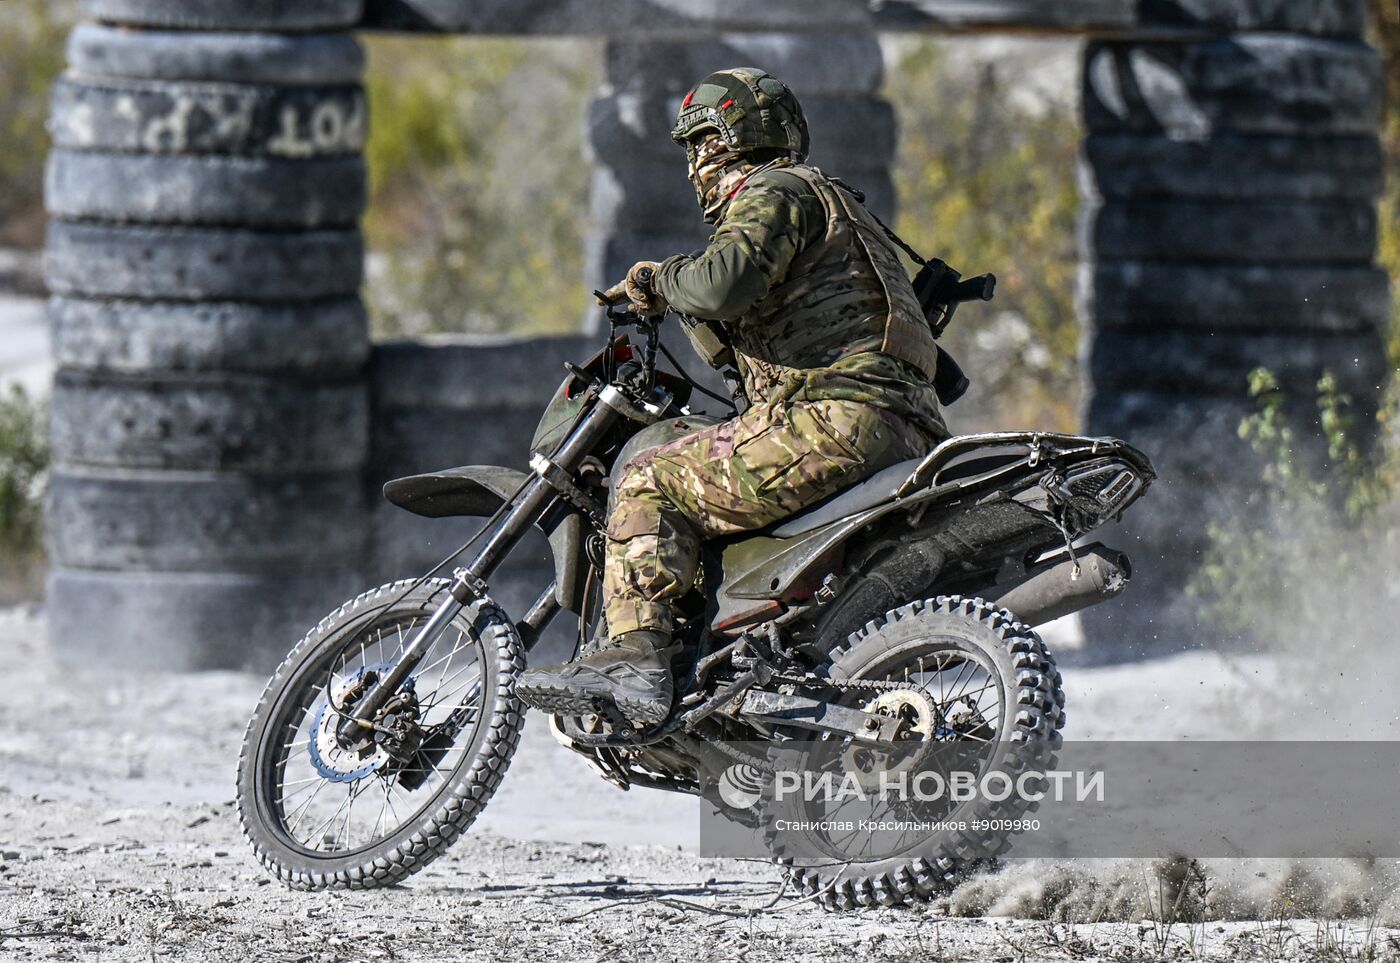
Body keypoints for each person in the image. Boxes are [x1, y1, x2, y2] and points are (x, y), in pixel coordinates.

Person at [515, 67, 950, 726]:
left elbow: (724, 284)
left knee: (648, 478)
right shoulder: (846, 210)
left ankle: (636, 656)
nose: (693, 164)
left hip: (836, 419)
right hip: (904, 428)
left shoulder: (772, 189)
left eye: (699, 143)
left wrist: (658, 279)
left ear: (725, 139)